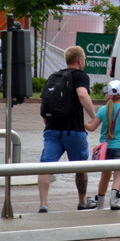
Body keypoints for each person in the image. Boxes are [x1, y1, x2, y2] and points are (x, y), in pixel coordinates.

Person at [37, 46, 98, 213]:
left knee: (45, 167)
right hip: (73, 131)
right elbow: (82, 95)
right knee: (80, 168)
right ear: (80, 60)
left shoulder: (53, 76)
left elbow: (45, 103)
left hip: (52, 130)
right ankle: (82, 202)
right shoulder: (80, 76)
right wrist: (93, 116)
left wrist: (49, 125)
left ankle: (43, 204)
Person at [85, 80, 120, 210]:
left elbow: (91, 128)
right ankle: (114, 201)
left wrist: (83, 123)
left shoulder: (103, 110)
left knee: (105, 175)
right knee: (118, 175)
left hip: (105, 148)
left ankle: (100, 203)